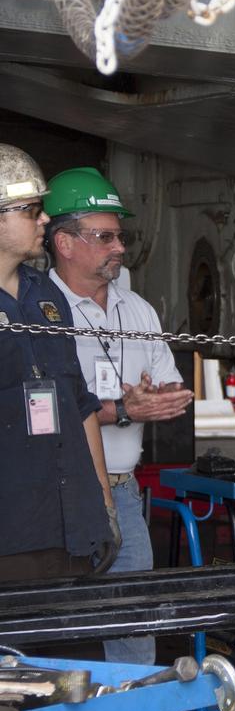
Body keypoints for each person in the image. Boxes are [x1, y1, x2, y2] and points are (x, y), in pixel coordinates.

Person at [44, 167, 193, 664]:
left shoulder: (139, 310)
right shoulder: (36, 312)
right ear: (64, 243)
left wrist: (163, 396)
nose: (119, 247)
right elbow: (46, 411)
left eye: (119, 236)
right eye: (103, 236)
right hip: (52, 495)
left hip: (122, 492)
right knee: (46, 620)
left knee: (134, 619)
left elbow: (167, 378)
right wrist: (126, 409)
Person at [0, 145, 116, 583]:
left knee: (78, 649)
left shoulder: (48, 296)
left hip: (72, 530)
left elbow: (78, 403)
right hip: (10, 536)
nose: (45, 220)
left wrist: (104, 503)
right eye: (32, 210)